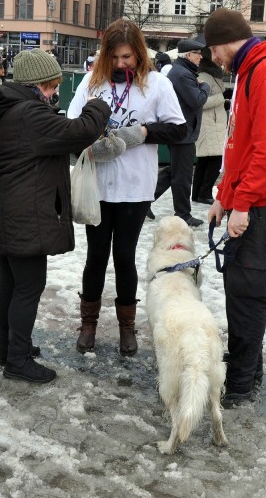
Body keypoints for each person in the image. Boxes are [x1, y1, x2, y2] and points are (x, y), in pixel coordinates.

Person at [0, 49, 110, 383]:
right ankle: (17, 360)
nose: (53, 93)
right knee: (28, 286)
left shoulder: (11, 108)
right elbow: (78, 132)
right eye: (50, 87)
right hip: (20, 211)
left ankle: (8, 349)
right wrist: (98, 105)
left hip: (4, 207)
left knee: (11, 281)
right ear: (35, 85)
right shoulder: (28, 114)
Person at [66, 18, 187, 356]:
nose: (121, 64)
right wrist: (88, 145)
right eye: (116, 58)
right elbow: (71, 126)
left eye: (128, 58)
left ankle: (126, 328)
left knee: (124, 257)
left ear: (139, 54)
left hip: (135, 187)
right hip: (99, 187)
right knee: (96, 256)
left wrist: (145, 133)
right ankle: (88, 323)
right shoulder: (93, 82)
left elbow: (179, 130)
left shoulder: (157, 84)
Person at [202, 7, 266, 407]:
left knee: (246, 293)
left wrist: (242, 203)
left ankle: (241, 382)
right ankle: (247, 365)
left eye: (213, 51)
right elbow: (239, 143)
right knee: (239, 288)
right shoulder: (249, 69)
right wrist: (225, 195)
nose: (213, 59)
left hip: (263, 202)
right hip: (249, 199)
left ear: (224, 41)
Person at [151, 38, 210, 227]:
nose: (201, 57)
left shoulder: (182, 72)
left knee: (175, 171)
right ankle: (183, 214)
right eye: (198, 54)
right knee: (182, 176)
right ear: (188, 55)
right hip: (183, 132)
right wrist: (205, 86)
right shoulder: (182, 74)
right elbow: (197, 100)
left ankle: (143, 200)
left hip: (182, 131)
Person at [191, 47, 227, 205]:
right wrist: (222, 97)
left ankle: (198, 193)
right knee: (215, 159)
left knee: (205, 160)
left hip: (215, 122)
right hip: (208, 123)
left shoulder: (213, 75)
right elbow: (200, 101)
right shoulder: (205, 75)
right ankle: (204, 193)